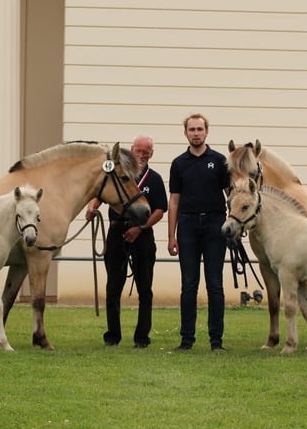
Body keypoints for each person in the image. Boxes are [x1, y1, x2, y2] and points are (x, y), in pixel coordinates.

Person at [86, 135, 168, 348]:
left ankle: (142, 337)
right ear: (131, 151)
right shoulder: (117, 174)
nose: (142, 155)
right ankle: (113, 335)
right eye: (138, 151)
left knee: (144, 288)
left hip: (143, 235)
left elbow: (159, 210)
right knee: (113, 286)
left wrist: (140, 229)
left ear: (152, 153)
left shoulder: (155, 179)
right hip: (117, 232)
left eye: (146, 151)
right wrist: (92, 207)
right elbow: (101, 195)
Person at [167, 113, 230, 351]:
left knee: (215, 284)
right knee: (189, 285)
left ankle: (216, 341)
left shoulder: (220, 161)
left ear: (206, 132)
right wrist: (171, 236)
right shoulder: (178, 163)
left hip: (215, 225)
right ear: (185, 133)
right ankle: (187, 340)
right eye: (191, 129)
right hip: (188, 226)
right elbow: (174, 201)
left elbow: (230, 195)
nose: (196, 133)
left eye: (199, 129)